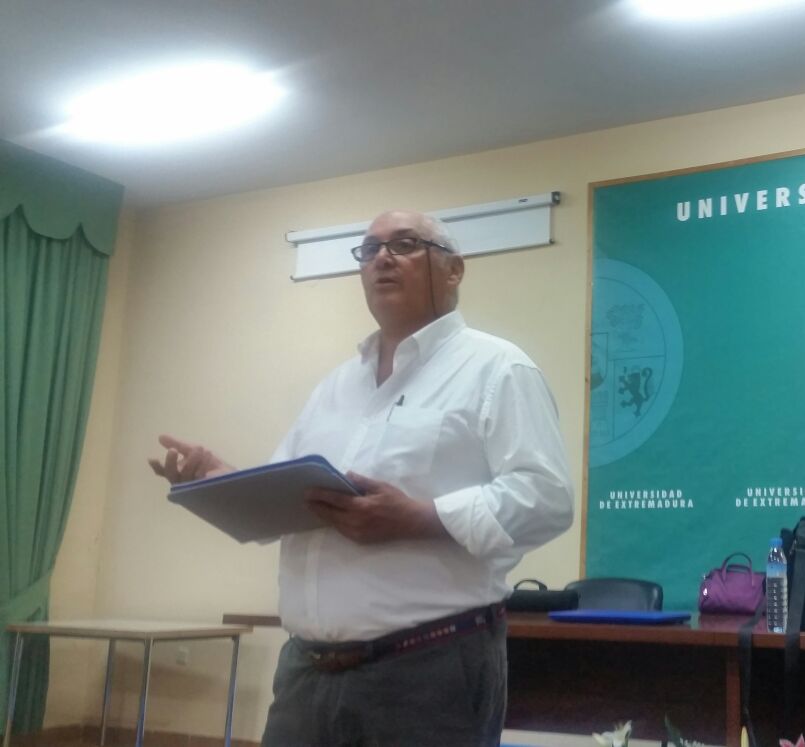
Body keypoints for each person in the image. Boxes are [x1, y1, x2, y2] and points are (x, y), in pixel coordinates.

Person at [148, 209, 575, 746]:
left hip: (428, 672)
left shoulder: (497, 368)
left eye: (405, 244)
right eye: (369, 250)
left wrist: (420, 519)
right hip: (305, 672)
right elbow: (290, 494)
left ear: (454, 270)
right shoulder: (335, 386)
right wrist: (220, 478)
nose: (382, 259)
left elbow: (546, 497)